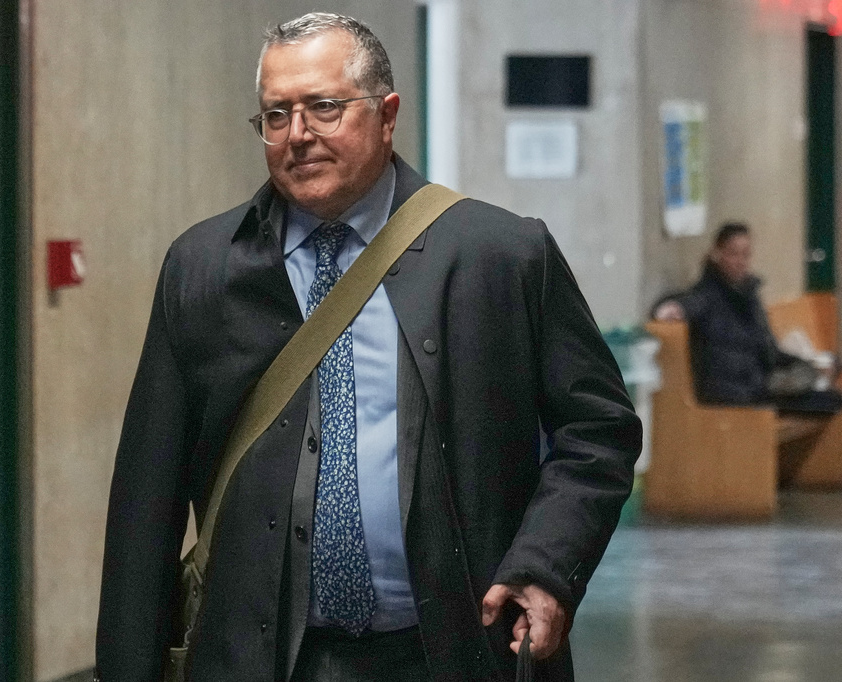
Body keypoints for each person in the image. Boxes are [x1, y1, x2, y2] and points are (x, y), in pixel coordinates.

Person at [96, 12, 641, 682]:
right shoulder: (205, 267)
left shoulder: (500, 256)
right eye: (276, 115)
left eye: (325, 107)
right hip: (258, 658)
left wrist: (548, 566)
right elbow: (146, 495)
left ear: (387, 115)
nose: (299, 134)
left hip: (455, 653)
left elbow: (598, 430)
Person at [653, 222, 841, 413]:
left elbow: (770, 353)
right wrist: (674, 308)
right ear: (717, 254)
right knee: (829, 402)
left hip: (756, 388)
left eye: (746, 254)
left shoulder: (749, 297)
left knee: (829, 398)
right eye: (734, 254)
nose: (741, 261)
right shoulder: (709, 294)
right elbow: (690, 302)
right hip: (732, 395)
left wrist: (807, 366)